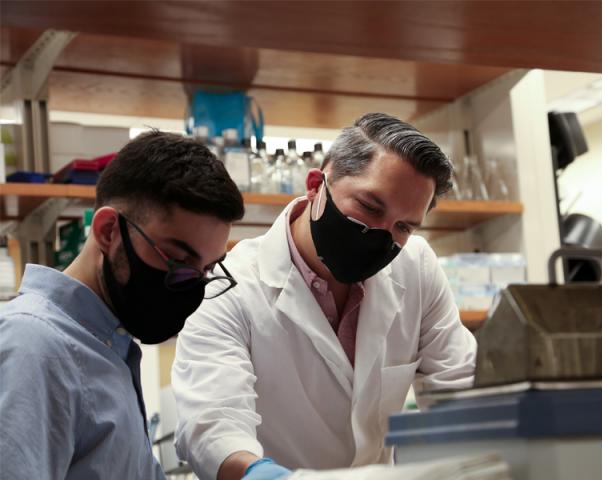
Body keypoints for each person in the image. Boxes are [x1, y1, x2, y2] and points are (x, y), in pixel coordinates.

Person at [172, 113, 477, 480]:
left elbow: (457, 389)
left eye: (403, 226)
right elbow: (213, 425)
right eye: (370, 207)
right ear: (316, 185)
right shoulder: (229, 286)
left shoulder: (416, 266)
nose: (380, 235)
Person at [0, 131, 244, 479]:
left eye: (206, 270)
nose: (190, 285)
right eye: (177, 261)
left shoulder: (107, 347)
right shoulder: (34, 347)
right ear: (108, 231)